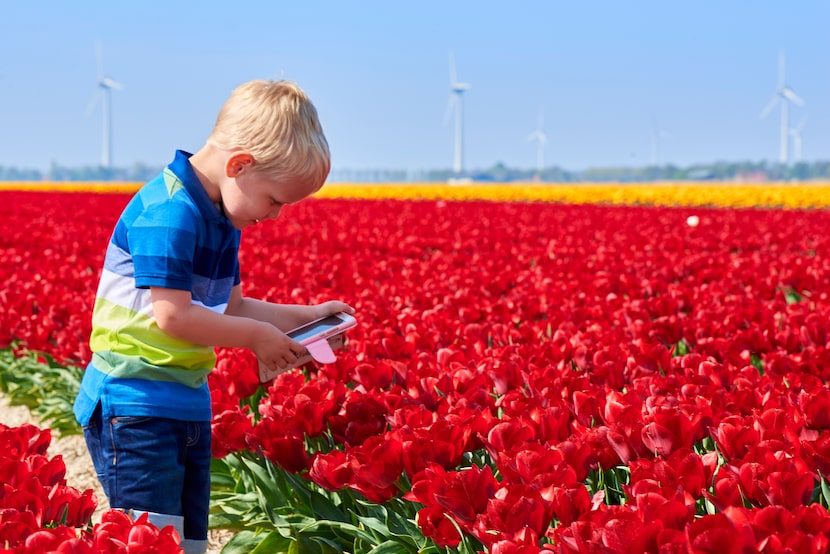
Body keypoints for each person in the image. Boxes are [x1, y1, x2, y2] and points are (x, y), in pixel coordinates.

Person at [73, 79, 353, 554]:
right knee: (151, 541)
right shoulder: (170, 212)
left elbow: (231, 306)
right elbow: (173, 317)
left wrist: (308, 317)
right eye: (275, 200)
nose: (278, 215)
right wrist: (257, 337)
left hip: (183, 401)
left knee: (189, 543)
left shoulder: (219, 219)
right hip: (133, 403)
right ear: (239, 165)